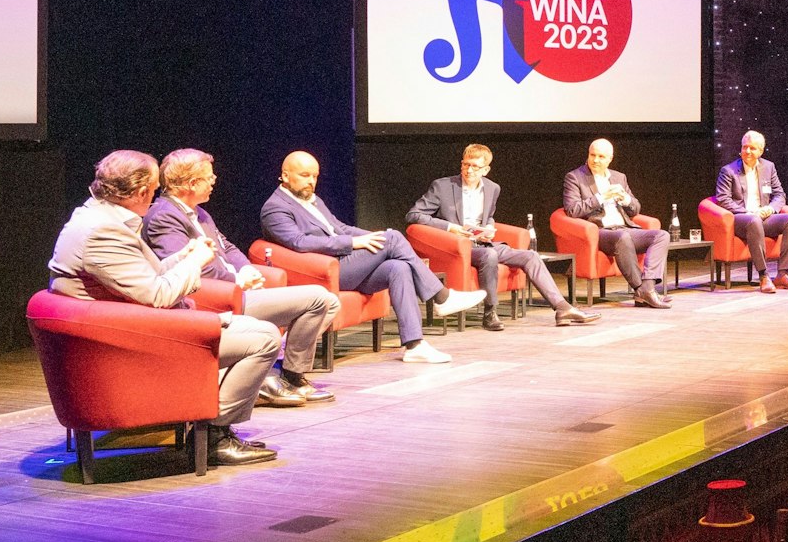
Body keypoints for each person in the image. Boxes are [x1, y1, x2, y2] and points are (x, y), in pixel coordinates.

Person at [49, 151, 281, 465]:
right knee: (264, 337)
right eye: (155, 189)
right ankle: (215, 436)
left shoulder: (101, 218)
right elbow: (157, 294)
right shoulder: (102, 232)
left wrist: (183, 256)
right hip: (132, 345)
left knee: (255, 330)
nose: (157, 196)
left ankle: (212, 428)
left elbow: (145, 274)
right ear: (141, 192)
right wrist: (197, 262)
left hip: (136, 329)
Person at [142, 148, 339, 408]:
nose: (214, 181)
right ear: (191, 184)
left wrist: (245, 268)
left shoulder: (198, 212)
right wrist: (235, 280)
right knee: (316, 298)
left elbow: (228, 246)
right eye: (208, 178)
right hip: (214, 299)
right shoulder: (164, 216)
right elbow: (189, 268)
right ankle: (289, 376)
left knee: (329, 301)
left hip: (236, 290)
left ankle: (278, 370)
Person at [260, 151, 484, 364]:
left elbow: (339, 227)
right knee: (394, 238)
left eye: (315, 176)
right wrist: (353, 243)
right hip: (323, 271)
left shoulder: (313, 200)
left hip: (342, 265)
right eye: (305, 175)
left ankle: (415, 346)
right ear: (286, 175)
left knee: (398, 267)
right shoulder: (275, 208)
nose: (311, 181)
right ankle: (442, 297)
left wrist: (371, 237)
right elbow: (299, 242)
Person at [408, 144, 598, 328]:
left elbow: (488, 217)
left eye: (475, 166)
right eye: (466, 164)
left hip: (483, 242)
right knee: (489, 256)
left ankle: (562, 308)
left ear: (486, 169)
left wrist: (488, 228)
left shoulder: (492, 188)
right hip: (458, 246)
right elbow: (414, 215)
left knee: (531, 256)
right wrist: (451, 228)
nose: (469, 170)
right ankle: (490, 313)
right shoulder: (442, 186)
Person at [562, 138, 674, 309]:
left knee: (662, 235)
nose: (596, 160)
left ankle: (647, 288)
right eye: (593, 155)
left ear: (610, 159)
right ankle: (643, 291)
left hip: (625, 228)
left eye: (601, 156)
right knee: (622, 237)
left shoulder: (619, 177)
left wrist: (625, 199)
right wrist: (601, 197)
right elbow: (572, 210)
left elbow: (635, 209)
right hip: (601, 231)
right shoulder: (575, 177)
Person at [712, 130, 788, 293]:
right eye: (744, 147)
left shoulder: (769, 167)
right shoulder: (728, 171)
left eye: (752, 148)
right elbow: (723, 199)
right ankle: (764, 276)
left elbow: (780, 194)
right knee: (753, 221)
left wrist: (770, 208)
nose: (747, 151)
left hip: (764, 217)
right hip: (741, 219)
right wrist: (748, 211)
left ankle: (783, 274)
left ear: (760, 151)